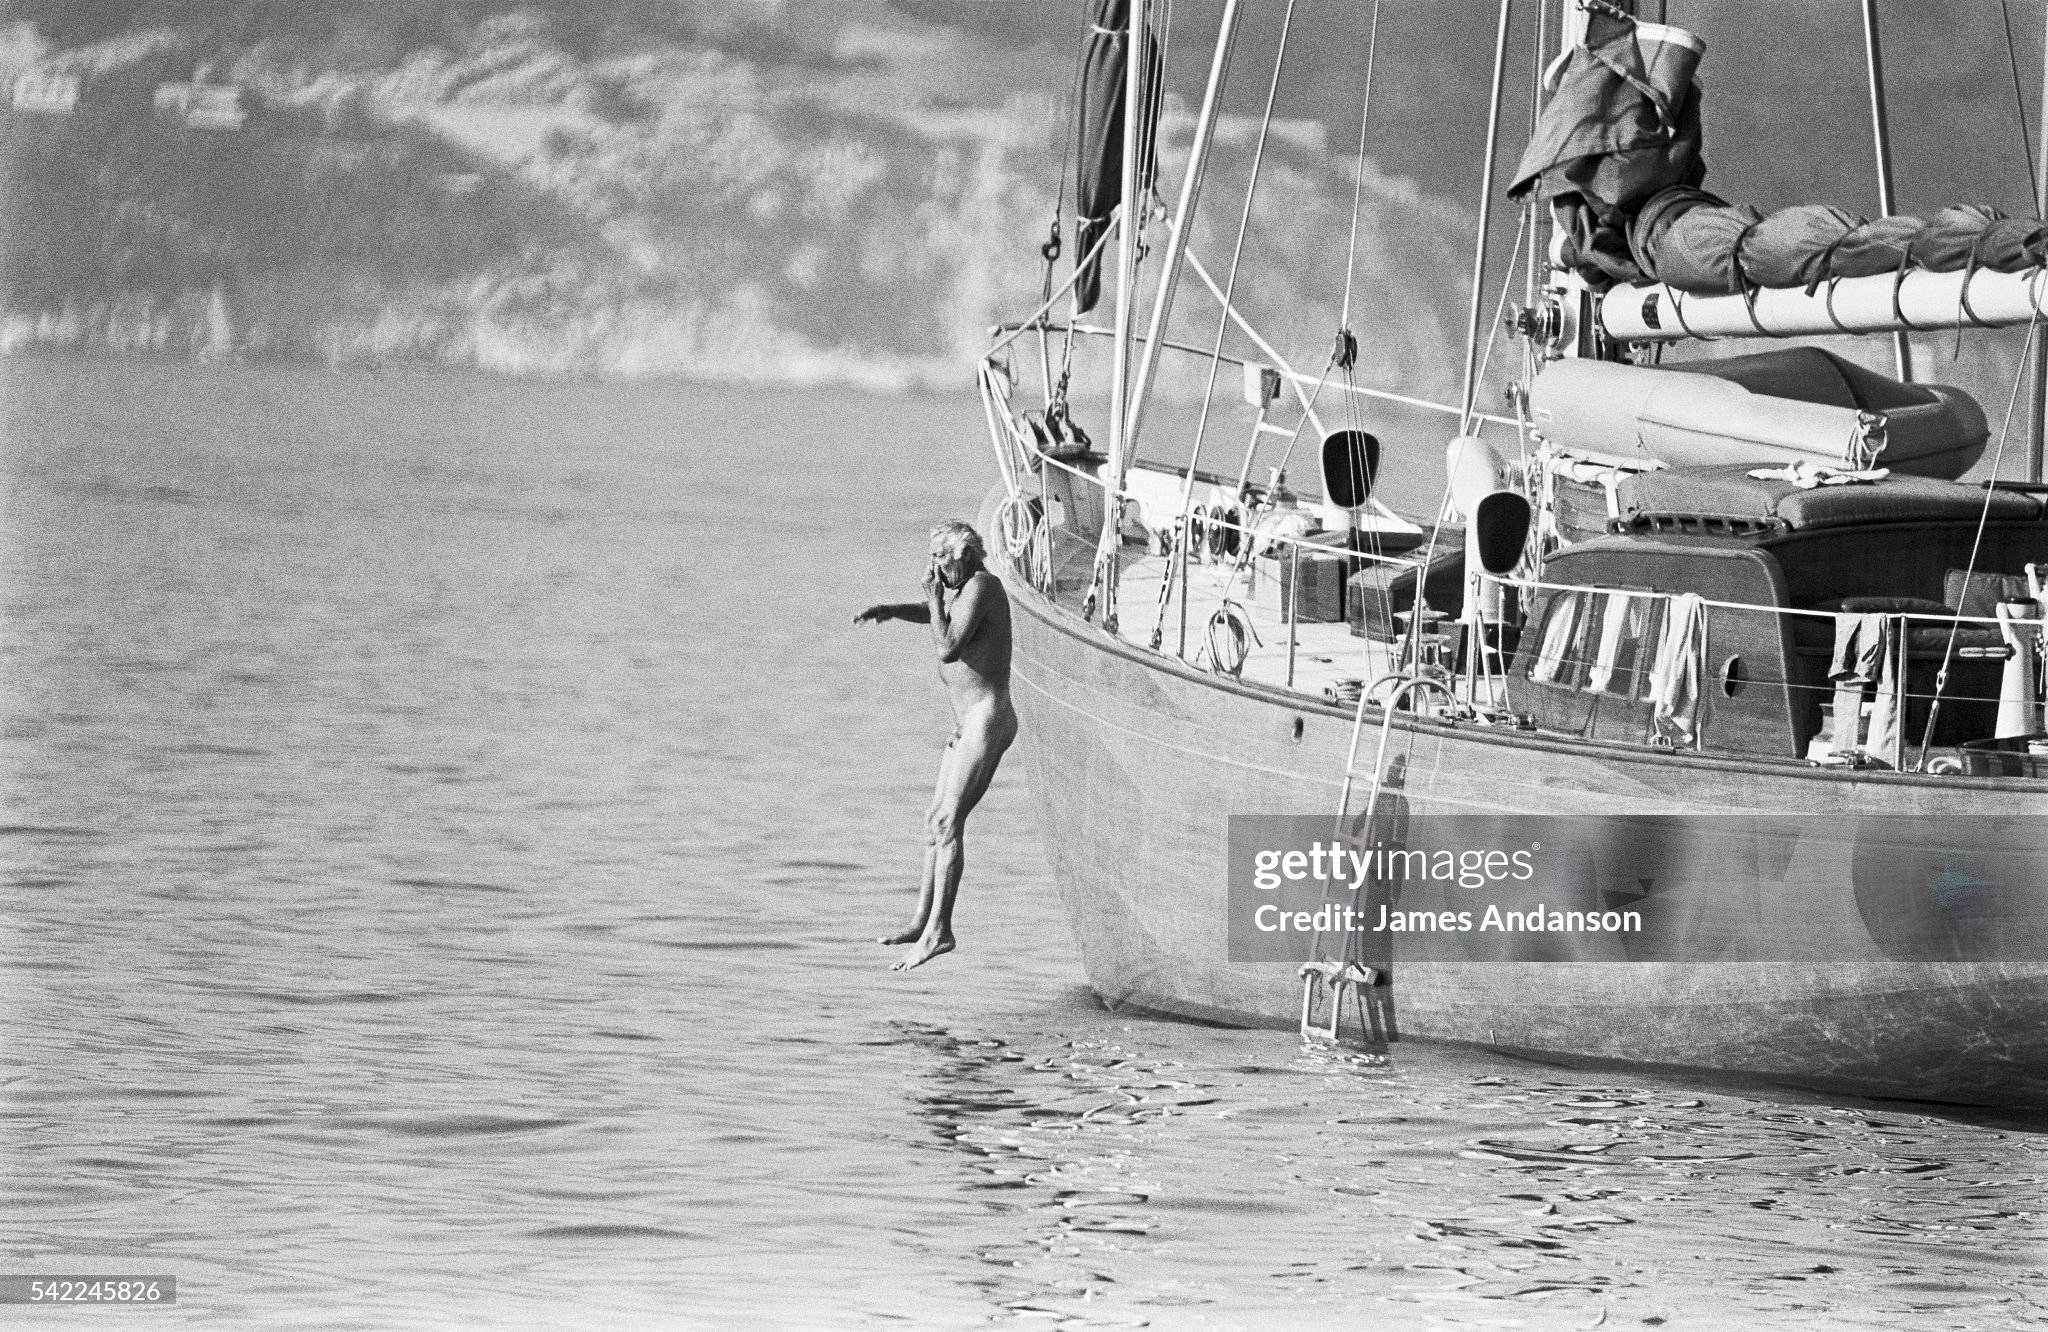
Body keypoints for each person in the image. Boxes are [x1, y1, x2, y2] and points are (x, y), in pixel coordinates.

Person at [853, 520, 1018, 971]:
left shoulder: (983, 585)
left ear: (961, 554)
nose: (931, 567)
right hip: (964, 724)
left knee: (949, 822)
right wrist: (893, 609)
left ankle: (941, 932)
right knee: (933, 821)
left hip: (987, 721)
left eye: (937, 558)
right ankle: (921, 920)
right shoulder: (964, 592)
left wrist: (932, 598)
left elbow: (947, 645)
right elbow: (939, 617)